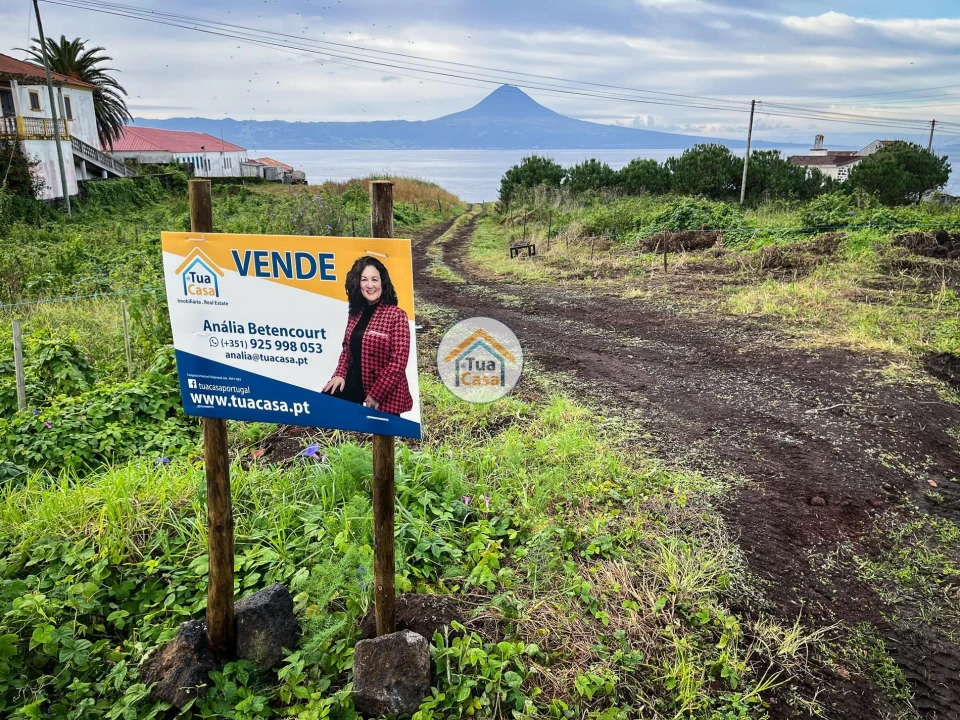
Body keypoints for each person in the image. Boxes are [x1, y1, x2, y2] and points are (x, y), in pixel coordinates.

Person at [322, 256, 413, 416]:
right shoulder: (356, 312)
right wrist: (339, 374)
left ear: (382, 283)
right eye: (364, 280)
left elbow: (398, 362)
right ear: (358, 283)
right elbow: (347, 348)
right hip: (353, 382)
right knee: (323, 408)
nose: (370, 285)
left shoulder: (396, 315)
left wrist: (376, 394)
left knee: (381, 434)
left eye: (374, 279)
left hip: (384, 391)